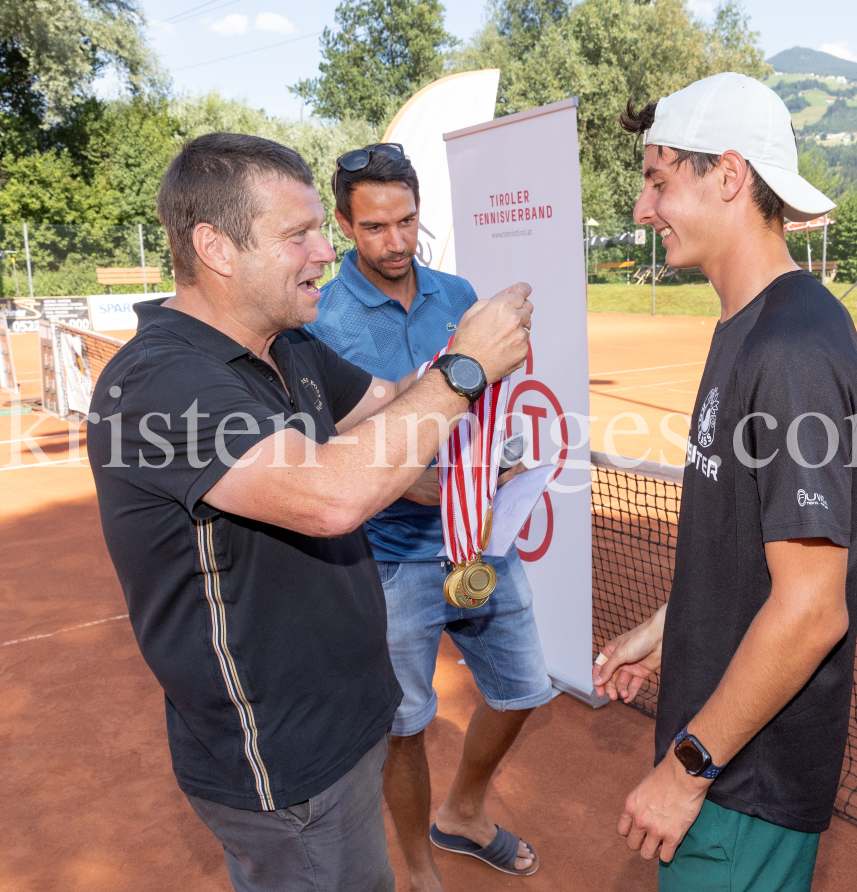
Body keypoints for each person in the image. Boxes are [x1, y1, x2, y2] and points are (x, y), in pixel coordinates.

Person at [86, 132, 533, 892]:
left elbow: (390, 408)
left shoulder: (287, 345)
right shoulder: (162, 382)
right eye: (298, 235)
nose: (325, 252)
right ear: (215, 248)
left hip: (344, 727)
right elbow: (329, 494)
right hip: (284, 765)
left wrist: (478, 423)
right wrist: (464, 370)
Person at [592, 73, 857, 892]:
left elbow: (812, 608)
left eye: (657, 180)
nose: (644, 208)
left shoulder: (790, 349)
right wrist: (666, 628)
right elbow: (748, 555)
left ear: (728, 174)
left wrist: (685, 770)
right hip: (728, 763)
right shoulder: (746, 326)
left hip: (741, 785)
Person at [306, 144, 552, 888]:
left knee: (524, 689)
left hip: (477, 542)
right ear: (347, 224)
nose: (397, 242)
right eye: (376, 227)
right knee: (405, 726)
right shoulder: (320, 318)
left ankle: (464, 814)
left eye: (408, 221)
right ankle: (416, 868)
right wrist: (440, 482)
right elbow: (350, 450)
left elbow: (489, 404)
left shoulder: (458, 294)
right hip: (387, 559)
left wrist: (499, 464)